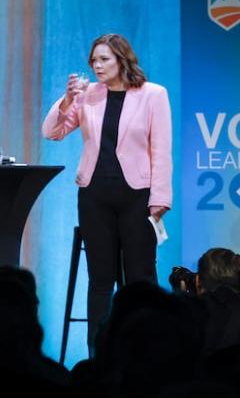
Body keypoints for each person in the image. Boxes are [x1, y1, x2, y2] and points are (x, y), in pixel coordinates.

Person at [42, 32, 172, 350]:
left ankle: (147, 350)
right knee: (100, 279)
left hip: (137, 196)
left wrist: (160, 198)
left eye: (104, 59)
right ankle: (98, 354)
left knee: (140, 278)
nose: (97, 66)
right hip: (95, 195)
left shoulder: (153, 94)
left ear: (121, 59)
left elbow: (162, 150)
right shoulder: (88, 96)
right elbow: (52, 132)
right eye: (94, 60)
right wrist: (69, 99)